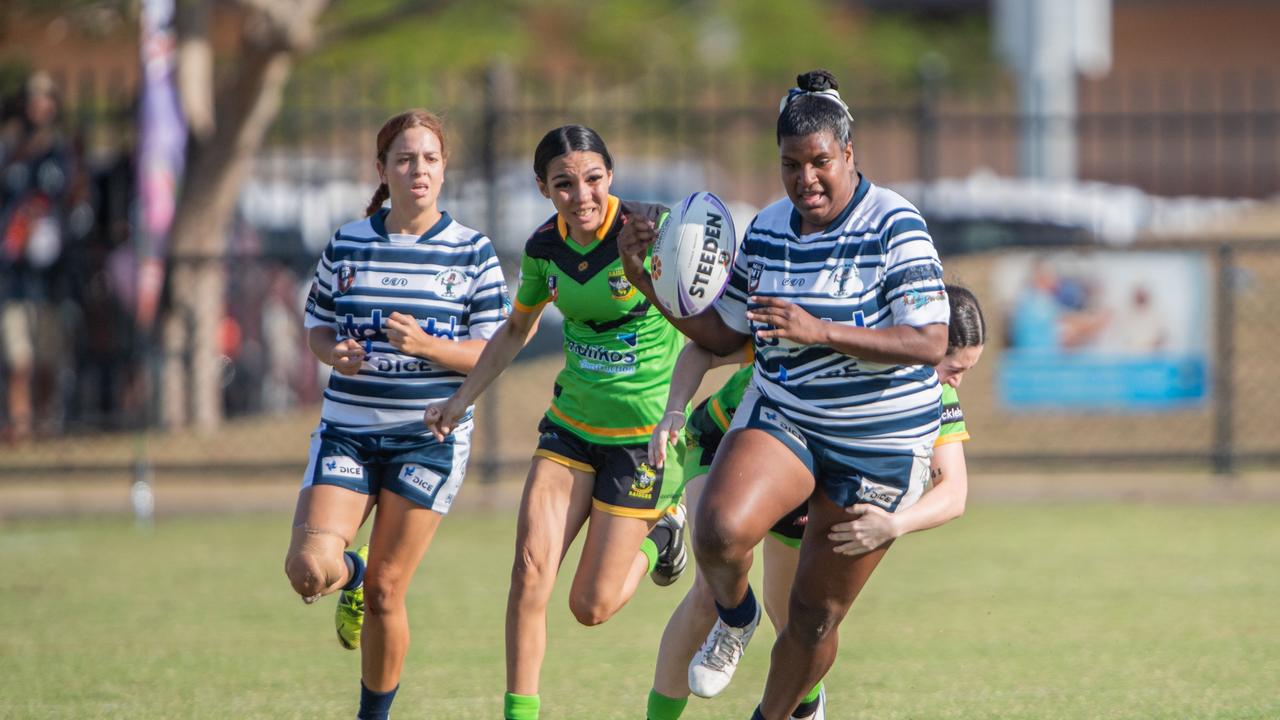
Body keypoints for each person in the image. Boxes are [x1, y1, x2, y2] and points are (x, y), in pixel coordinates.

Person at [618, 69, 950, 720]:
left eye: (821, 162)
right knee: (716, 531)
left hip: (877, 445)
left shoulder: (894, 224)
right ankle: (735, 617)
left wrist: (820, 329)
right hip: (789, 417)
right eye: (791, 165)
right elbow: (720, 332)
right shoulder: (769, 229)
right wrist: (646, 281)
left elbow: (929, 340)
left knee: (812, 620)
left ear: (849, 154)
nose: (806, 180)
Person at [425, 125, 690, 720]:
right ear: (544, 189)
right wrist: (460, 400)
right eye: (564, 184)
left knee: (590, 606)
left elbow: (706, 314)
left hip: (642, 441)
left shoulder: (655, 231)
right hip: (570, 427)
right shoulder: (544, 249)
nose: (582, 195)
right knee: (528, 570)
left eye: (593, 179)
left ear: (611, 177)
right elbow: (516, 329)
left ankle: (664, 535)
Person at [644, 286, 986, 720]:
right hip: (721, 443)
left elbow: (954, 492)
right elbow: (703, 350)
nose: (956, 381)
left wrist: (894, 524)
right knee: (711, 590)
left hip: (803, 483)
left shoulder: (934, 398)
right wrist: (674, 408)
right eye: (953, 368)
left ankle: (807, 708)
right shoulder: (829, 336)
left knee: (794, 621)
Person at [283, 109, 510, 720]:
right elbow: (317, 330)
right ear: (381, 169)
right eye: (405, 159)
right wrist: (338, 353)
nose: (419, 170)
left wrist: (429, 347)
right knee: (307, 571)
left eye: (430, 159)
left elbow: (493, 352)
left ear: (444, 169)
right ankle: (345, 573)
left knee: (388, 591)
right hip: (348, 433)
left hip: (427, 439)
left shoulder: (472, 252)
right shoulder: (347, 242)